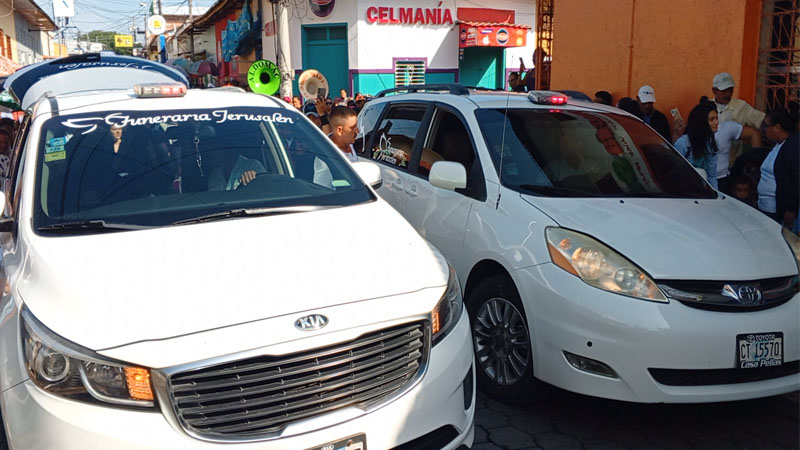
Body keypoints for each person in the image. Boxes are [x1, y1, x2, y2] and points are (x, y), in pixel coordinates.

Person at [757, 108, 799, 228]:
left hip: (778, 211)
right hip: (766, 208)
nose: (764, 130)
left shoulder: (793, 147)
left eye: (766, 126)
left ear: (777, 127)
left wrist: (791, 208)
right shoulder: (778, 145)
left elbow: (797, 179)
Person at [673, 97, 719, 188]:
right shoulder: (683, 143)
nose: (717, 122)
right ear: (702, 122)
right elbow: (675, 171)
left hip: (702, 189)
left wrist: (716, 194)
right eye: (712, 119)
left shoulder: (713, 143)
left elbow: (711, 175)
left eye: (717, 118)